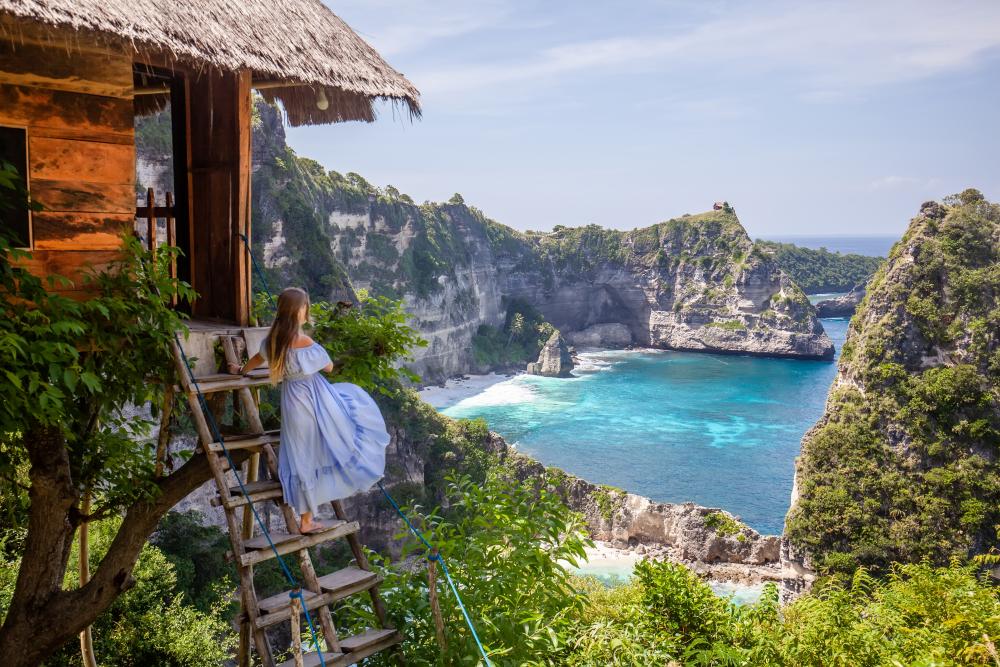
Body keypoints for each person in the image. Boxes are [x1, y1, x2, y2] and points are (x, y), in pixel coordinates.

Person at [229, 287, 390, 534]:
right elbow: (328, 367)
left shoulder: (271, 343)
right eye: (306, 307)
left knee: (301, 456)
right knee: (350, 414)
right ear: (300, 312)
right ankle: (306, 521)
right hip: (316, 401)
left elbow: (252, 364)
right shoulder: (305, 342)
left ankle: (306, 517)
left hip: (292, 404)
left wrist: (238, 370)